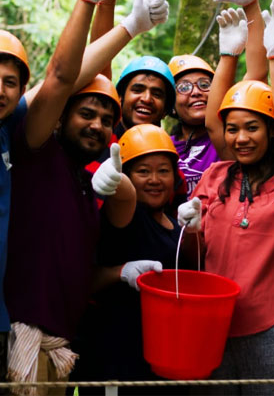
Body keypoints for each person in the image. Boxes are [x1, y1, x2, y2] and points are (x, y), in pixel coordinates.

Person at [4, 0, 170, 391]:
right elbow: (61, 78)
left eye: (106, 119)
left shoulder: (86, 180)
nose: (97, 125)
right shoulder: (37, 149)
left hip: (62, 345)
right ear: (61, 117)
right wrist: (98, 5)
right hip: (21, 336)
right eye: (86, 114)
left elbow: (120, 209)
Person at [176, 0, 274, 395]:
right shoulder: (214, 177)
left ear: (273, 131)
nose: (241, 138)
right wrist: (187, 227)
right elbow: (195, 254)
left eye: (253, 128)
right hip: (215, 324)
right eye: (233, 129)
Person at [72, 123, 188, 394]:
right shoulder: (126, 215)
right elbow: (124, 197)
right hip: (116, 359)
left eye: (163, 171)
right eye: (143, 171)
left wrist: (194, 231)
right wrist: (120, 271)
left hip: (163, 360)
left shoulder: (175, 225)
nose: (155, 179)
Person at [168, 55, 219, 194]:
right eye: (184, 87)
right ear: (171, 104)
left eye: (204, 85)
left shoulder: (227, 139)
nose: (196, 92)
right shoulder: (165, 147)